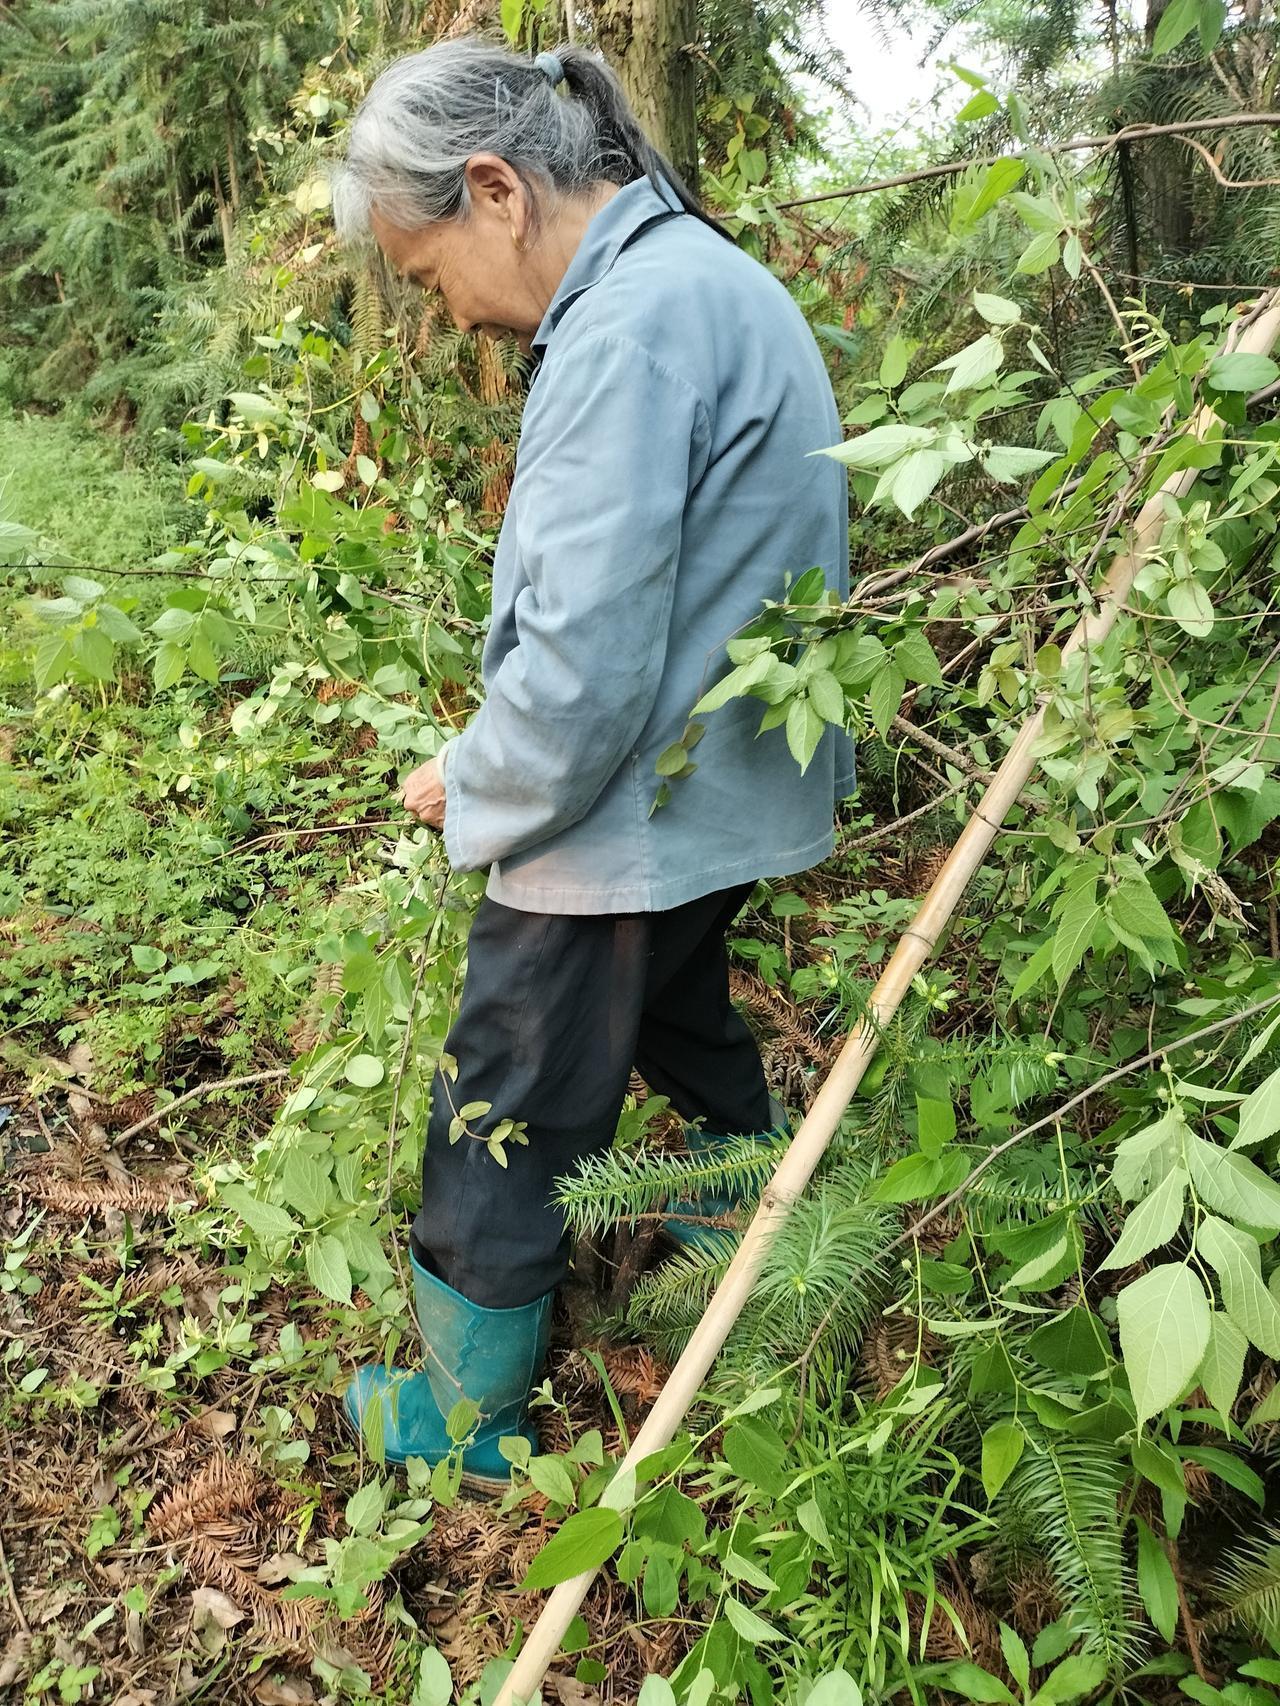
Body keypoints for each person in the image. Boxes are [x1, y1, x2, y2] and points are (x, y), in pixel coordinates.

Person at [331, 37, 852, 1489]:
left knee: (507, 1091)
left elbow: (578, 671)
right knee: (679, 1007)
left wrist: (476, 776)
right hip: (720, 793)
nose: (447, 316)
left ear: (495, 189)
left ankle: (465, 1415)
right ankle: (743, 1230)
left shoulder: (623, 330)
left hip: (625, 810)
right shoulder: (699, 279)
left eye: (428, 275)